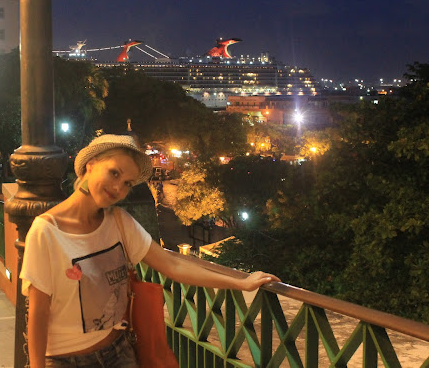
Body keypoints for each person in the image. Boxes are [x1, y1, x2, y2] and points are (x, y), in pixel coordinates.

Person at [20, 135, 280, 367]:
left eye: (127, 183)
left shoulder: (119, 222)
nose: (118, 188)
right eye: (114, 173)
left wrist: (241, 282)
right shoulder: (47, 231)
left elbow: (172, 264)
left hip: (118, 353)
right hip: (66, 361)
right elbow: (38, 313)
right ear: (91, 165)